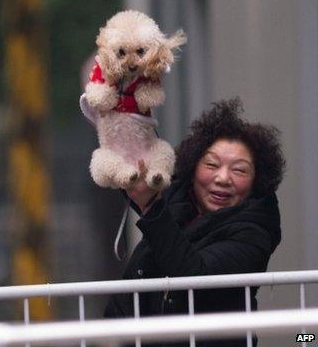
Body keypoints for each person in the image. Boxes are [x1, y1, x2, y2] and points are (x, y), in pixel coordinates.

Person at [104, 98, 285, 347]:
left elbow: (195, 279)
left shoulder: (255, 232)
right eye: (211, 164)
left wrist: (151, 206)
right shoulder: (179, 194)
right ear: (194, 166)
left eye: (239, 170)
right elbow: (141, 179)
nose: (222, 178)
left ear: (257, 182)